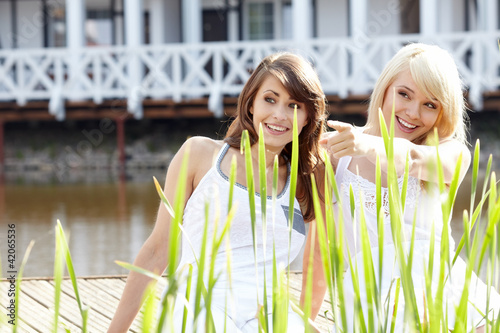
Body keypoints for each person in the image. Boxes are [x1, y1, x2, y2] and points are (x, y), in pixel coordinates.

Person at [108, 52, 327, 332]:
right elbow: (158, 249)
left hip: (267, 313)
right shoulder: (200, 155)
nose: (279, 115)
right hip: (201, 303)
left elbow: (318, 256)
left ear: (309, 116)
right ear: (250, 105)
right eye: (269, 99)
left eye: (294, 106)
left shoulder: (307, 177)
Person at [319, 43, 500, 331]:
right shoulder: (335, 153)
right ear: (386, 86)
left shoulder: (450, 153)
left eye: (430, 105)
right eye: (404, 94)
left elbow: (413, 158)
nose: (414, 113)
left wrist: (367, 145)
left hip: (447, 307)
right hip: (369, 312)